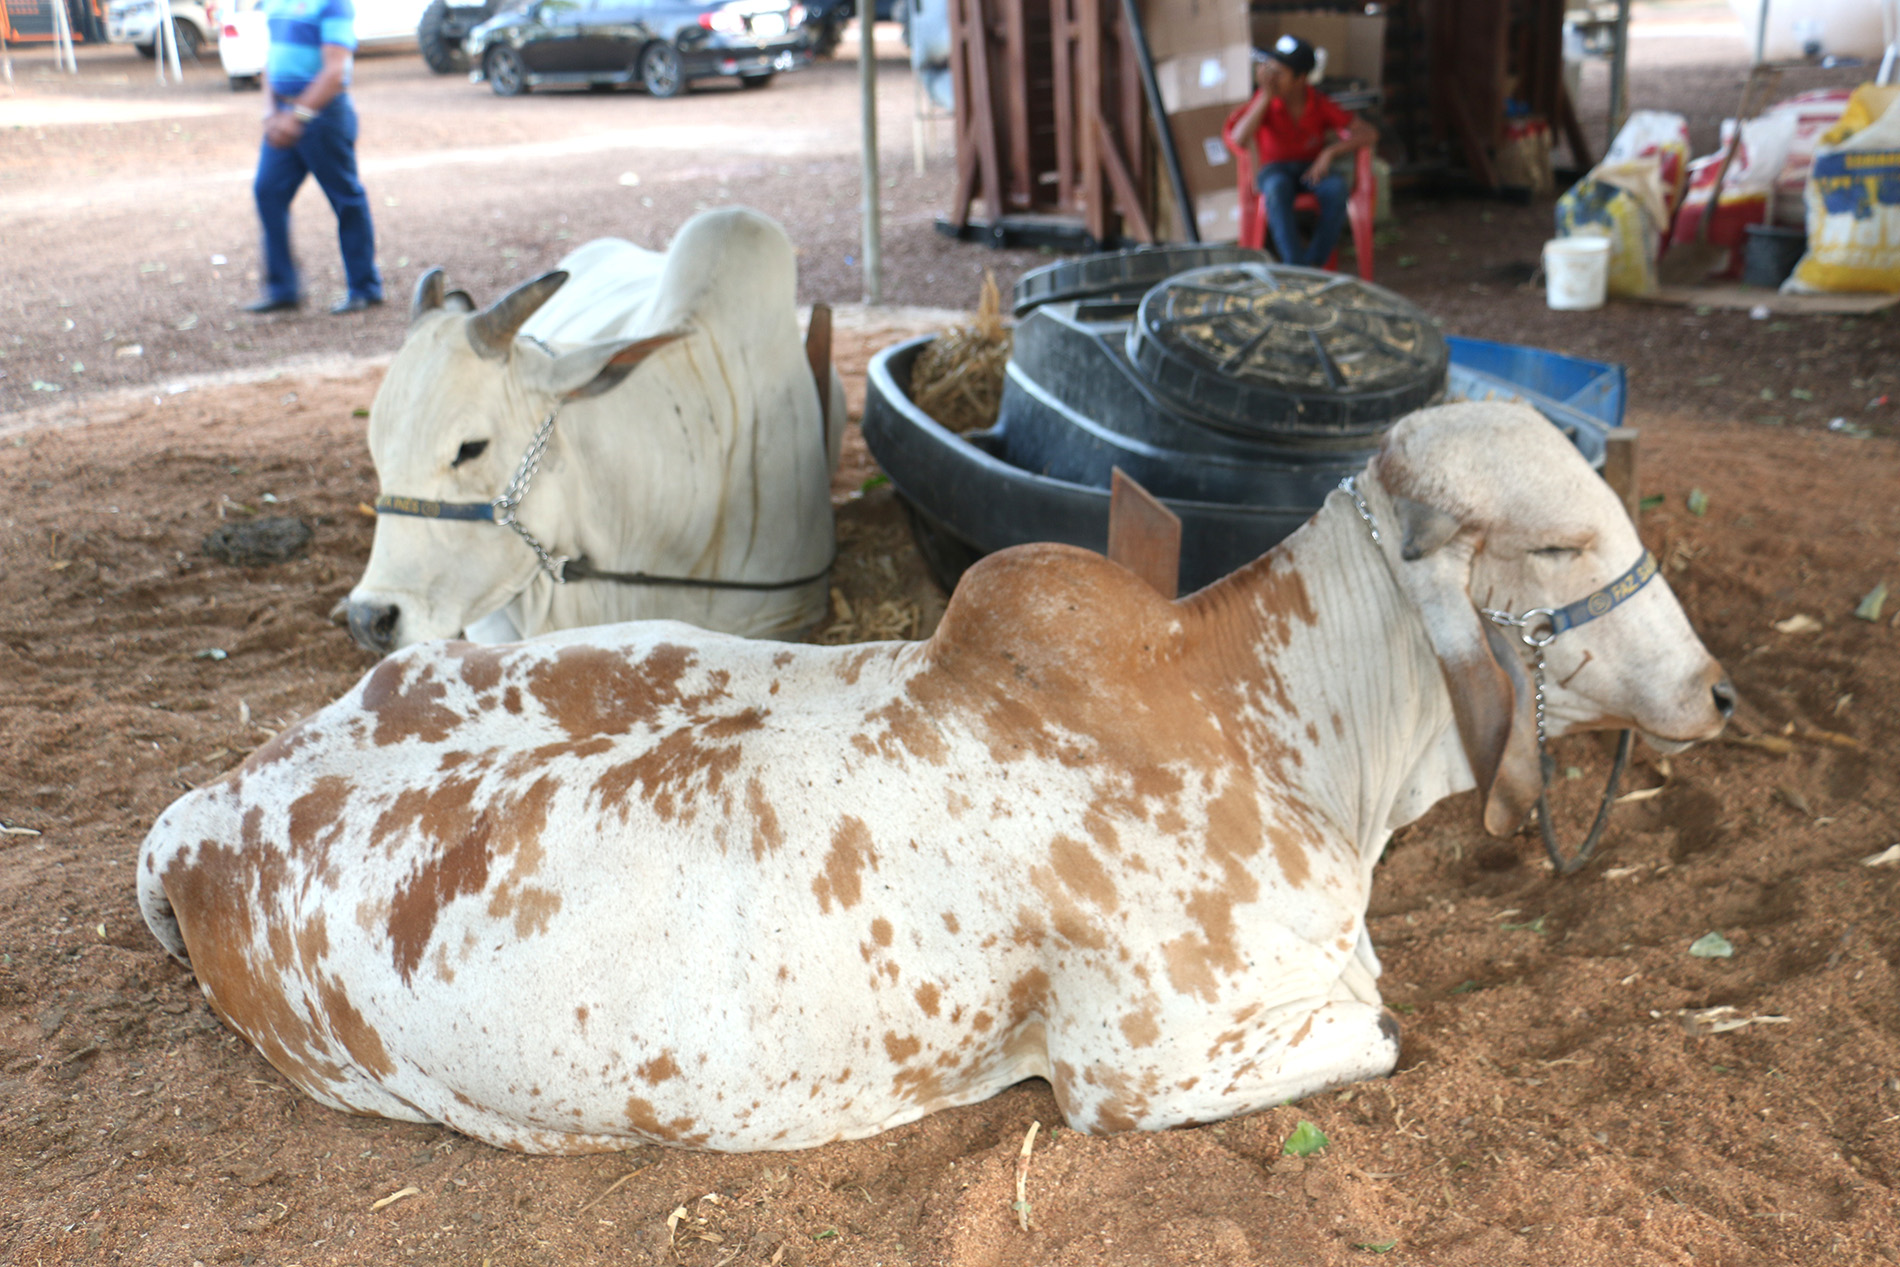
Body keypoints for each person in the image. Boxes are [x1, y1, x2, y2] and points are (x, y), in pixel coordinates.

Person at [244, 0, 384, 315]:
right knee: (268, 192)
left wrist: (298, 115)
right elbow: (271, 59)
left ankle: (365, 287)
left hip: (323, 117)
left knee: (346, 199)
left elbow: (335, 71)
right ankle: (283, 289)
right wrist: (270, 111)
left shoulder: (333, 4)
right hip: (284, 112)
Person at [1225, 34, 1377, 269]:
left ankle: (1312, 267)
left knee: (1336, 189)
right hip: (1274, 171)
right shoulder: (1266, 99)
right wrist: (1265, 97)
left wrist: (1330, 152)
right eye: (1270, 70)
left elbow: (1368, 133)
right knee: (1276, 188)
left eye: (1279, 73)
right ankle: (1295, 266)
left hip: (1310, 168)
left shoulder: (1319, 102)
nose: (1272, 78)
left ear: (1301, 78)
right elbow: (1238, 139)